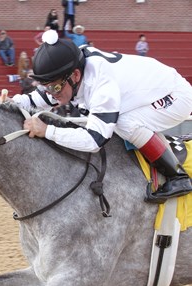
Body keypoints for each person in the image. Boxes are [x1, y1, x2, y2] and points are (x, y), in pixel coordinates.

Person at [19, 30, 192, 203]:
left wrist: (47, 130)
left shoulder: (101, 87)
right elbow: (43, 97)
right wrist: (11, 102)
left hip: (176, 96)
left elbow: (94, 141)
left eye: (55, 88)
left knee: (124, 123)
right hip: (153, 88)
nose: (51, 93)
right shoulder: (72, 72)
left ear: (76, 75)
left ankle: (178, 177)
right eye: (46, 87)